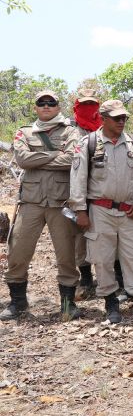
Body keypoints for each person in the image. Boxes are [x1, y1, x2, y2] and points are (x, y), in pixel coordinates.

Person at [69, 100, 133, 323]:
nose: (121, 122)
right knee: (103, 258)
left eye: (124, 118)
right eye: (117, 118)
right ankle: (111, 303)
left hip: (129, 210)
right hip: (100, 211)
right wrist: (80, 210)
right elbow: (78, 178)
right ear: (104, 118)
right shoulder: (89, 143)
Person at [1, 91, 81, 321]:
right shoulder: (24, 132)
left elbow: (73, 160)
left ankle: (68, 304)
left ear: (57, 106)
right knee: (17, 252)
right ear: (35, 107)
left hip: (61, 203)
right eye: (41, 103)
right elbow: (23, 160)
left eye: (51, 102)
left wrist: (40, 157)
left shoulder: (70, 131)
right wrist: (56, 154)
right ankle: (18, 303)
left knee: (66, 256)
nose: (46, 106)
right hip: (31, 202)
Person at [72, 88, 103, 300]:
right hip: (76, 190)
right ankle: (85, 279)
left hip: (102, 190)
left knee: (104, 234)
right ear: (76, 105)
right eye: (84, 104)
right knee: (79, 236)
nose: (88, 108)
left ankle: (108, 278)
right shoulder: (68, 129)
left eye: (92, 104)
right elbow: (67, 159)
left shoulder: (107, 126)